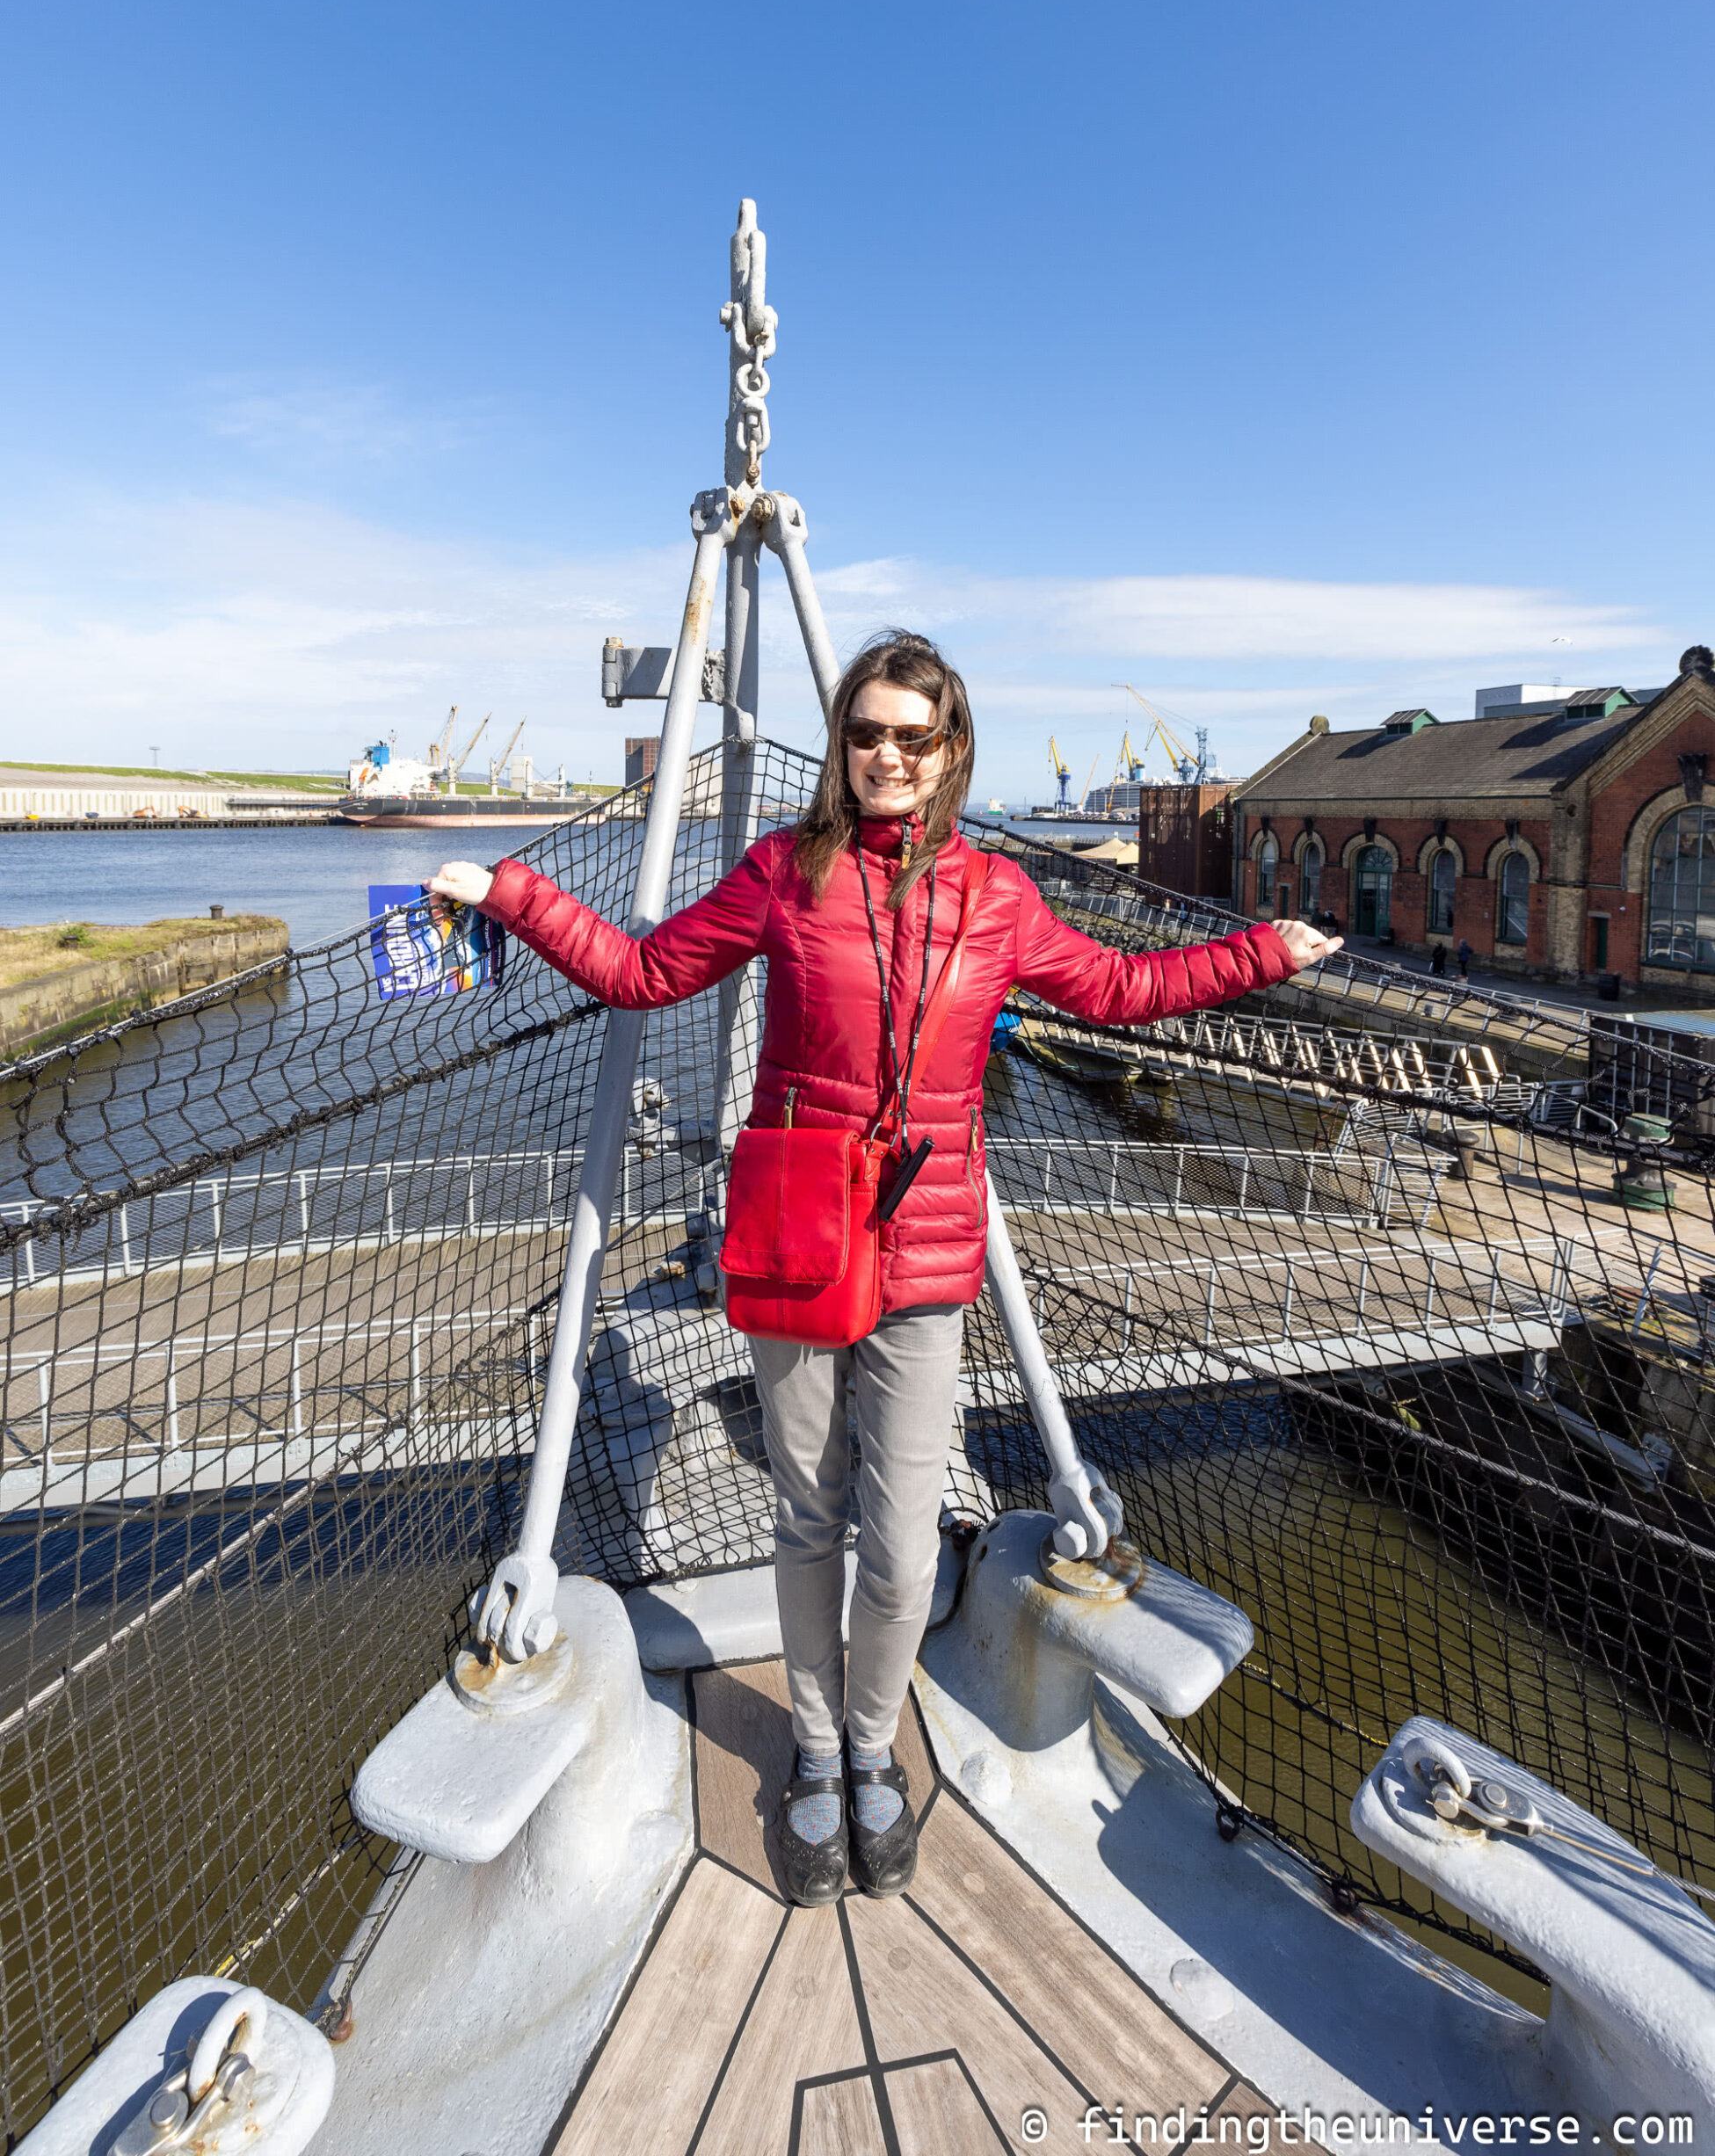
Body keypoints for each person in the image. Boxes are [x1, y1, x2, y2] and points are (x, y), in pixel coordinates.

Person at [426, 631, 1341, 1910]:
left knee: (903, 1541)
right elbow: (646, 971)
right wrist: (511, 894)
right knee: (807, 1514)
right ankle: (810, 1746)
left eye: (915, 736)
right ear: (845, 746)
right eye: (868, 734)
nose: (888, 756)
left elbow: (1120, 989)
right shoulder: (783, 878)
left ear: (952, 750)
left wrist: (1260, 955)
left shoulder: (999, 896)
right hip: (800, 1234)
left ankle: (870, 1746)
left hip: (928, 1247)